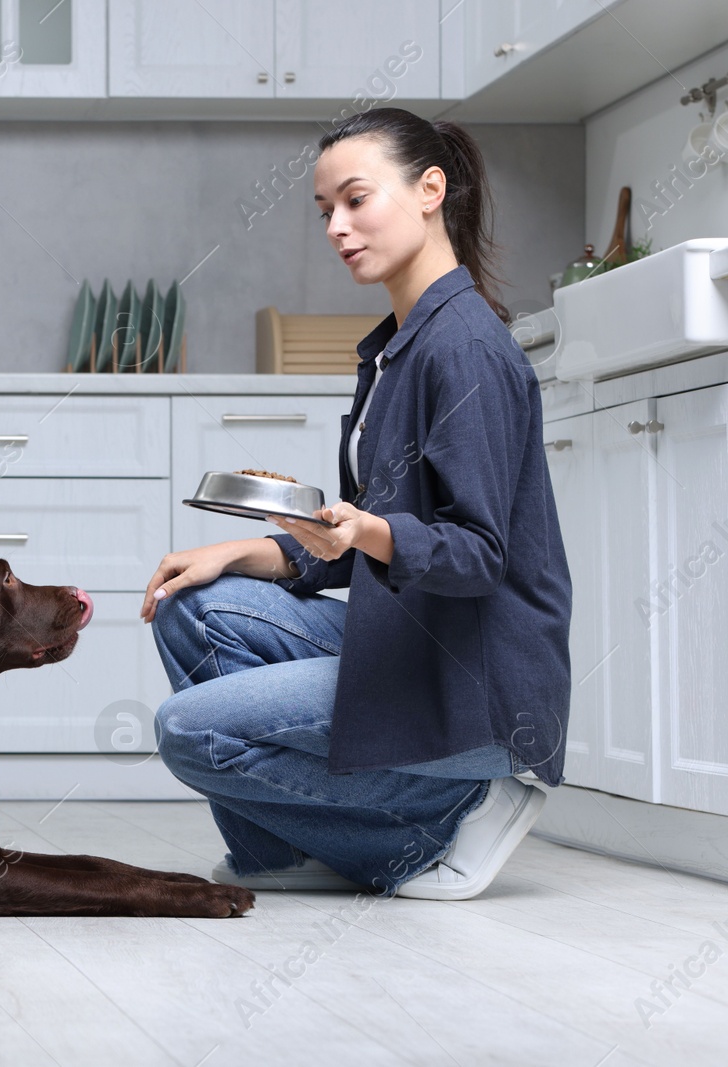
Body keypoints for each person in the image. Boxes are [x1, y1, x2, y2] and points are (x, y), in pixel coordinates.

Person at [140, 107, 572, 900]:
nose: (337, 226)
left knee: (188, 731)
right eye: (324, 210)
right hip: (419, 637)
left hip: (474, 681)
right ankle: (284, 850)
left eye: (356, 199)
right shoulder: (399, 345)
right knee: (191, 606)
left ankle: (444, 814)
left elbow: (477, 552)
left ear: (430, 189)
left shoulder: (465, 347)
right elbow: (368, 535)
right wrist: (248, 550)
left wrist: (369, 528)